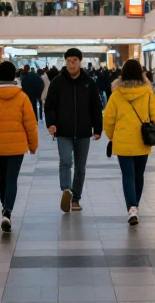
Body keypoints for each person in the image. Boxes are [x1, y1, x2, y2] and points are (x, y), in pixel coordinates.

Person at [0, 61, 39, 233]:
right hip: (17, 147)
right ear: (15, 76)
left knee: (2, 177)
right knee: (12, 179)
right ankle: (8, 211)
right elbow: (30, 124)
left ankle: (4, 207)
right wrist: (33, 145)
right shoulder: (22, 97)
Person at [104, 59, 155, 226]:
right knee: (138, 175)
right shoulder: (148, 93)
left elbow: (108, 120)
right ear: (141, 73)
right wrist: (150, 124)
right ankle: (135, 205)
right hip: (142, 142)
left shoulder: (116, 94)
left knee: (128, 176)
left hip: (122, 142)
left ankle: (132, 208)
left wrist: (111, 136)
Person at [45, 48, 103, 213]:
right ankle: (66, 191)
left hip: (84, 131)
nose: (72, 63)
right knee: (65, 161)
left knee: (80, 167)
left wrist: (97, 128)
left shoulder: (89, 83)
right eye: (69, 61)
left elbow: (96, 107)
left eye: (75, 60)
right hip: (63, 130)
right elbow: (50, 106)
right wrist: (51, 123)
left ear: (80, 62)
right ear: (66, 62)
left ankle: (76, 197)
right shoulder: (58, 82)